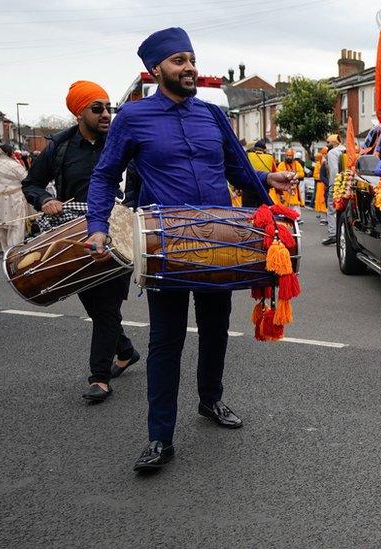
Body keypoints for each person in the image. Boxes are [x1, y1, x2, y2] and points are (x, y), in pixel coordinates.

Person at [83, 27, 297, 472]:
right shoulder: (133, 118)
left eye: (191, 59)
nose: (189, 67)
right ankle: (160, 437)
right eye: (178, 61)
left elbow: (240, 171)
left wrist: (268, 191)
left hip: (220, 240)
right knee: (166, 341)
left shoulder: (212, 115)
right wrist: (98, 226)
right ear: (155, 69)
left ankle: (211, 400)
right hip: (168, 245)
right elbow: (105, 176)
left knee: (216, 328)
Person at [21, 80, 140, 403]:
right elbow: (31, 184)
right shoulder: (59, 147)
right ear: (78, 112)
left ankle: (99, 378)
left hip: (119, 236)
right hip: (76, 236)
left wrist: (130, 208)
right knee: (94, 303)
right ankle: (126, 351)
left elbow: (141, 181)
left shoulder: (123, 142)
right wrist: (45, 199)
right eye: (97, 108)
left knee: (106, 306)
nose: (106, 114)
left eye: (108, 108)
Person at [0, 143, 29, 251]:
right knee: (16, 233)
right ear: (9, 153)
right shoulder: (14, 165)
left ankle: (6, 259)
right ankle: (14, 259)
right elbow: (27, 180)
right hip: (13, 202)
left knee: (2, 235)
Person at [322, 134, 345, 245]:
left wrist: (332, 186)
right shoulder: (346, 150)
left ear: (334, 142)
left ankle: (333, 235)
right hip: (347, 184)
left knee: (331, 209)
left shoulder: (332, 153)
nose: (327, 145)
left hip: (336, 184)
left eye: (328, 142)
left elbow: (334, 171)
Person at [243, 139, 277, 207]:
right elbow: (274, 173)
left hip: (249, 186)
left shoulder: (248, 154)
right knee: (262, 209)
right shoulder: (270, 157)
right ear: (264, 149)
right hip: (264, 187)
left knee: (248, 210)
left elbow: (242, 169)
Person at [274, 147, 306, 219]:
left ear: (293, 156)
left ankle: (296, 219)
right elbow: (278, 174)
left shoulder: (297, 164)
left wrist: (295, 175)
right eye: (287, 156)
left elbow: (302, 173)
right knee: (283, 205)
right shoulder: (281, 164)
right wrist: (287, 175)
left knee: (295, 205)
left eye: (290, 156)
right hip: (284, 189)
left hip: (294, 189)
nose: (288, 157)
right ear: (285, 156)